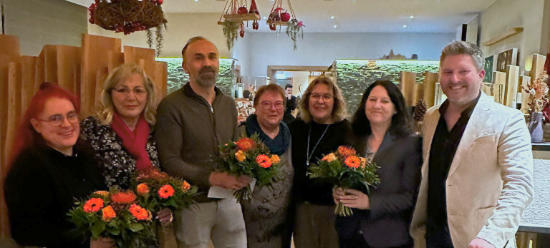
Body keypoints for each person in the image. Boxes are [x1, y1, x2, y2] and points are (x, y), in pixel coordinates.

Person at [410, 41, 534, 248]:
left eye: (463, 71)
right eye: (448, 72)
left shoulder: (508, 119)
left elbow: (519, 185)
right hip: (430, 237)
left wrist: (491, 237)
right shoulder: (431, 117)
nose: (454, 79)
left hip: (478, 238)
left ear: (480, 75)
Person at [155, 36, 249, 248]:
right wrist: (212, 177)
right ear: (185, 66)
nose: (207, 63)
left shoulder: (227, 104)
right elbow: (169, 160)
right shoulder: (172, 106)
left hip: (229, 198)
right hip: (192, 203)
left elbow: (236, 148)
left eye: (212, 57)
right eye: (198, 58)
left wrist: (245, 167)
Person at [4, 83, 108, 248]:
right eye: (55, 118)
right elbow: (27, 233)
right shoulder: (27, 168)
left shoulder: (86, 156)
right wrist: (88, 244)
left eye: (71, 115)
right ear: (37, 125)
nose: (67, 124)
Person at [79, 64, 173, 245]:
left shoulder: (158, 128)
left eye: (138, 90)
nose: (131, 97)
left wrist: (167, 208)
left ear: (148, 95)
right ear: (110, 94)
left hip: (148, 230)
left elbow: (167, 174)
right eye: (122, 90)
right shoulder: (93, 128)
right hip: (107, 230)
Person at [332, 80, 421, 248]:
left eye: (384, 101)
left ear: (396, 108)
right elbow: (344, 177)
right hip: (349, 233)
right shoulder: (353, 139)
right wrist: (338, 192)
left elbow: (410, 198)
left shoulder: (410, 144)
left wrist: (369, 203)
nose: (377, 105)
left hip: (388, 238)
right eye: (372, 100)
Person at [289, 76, 350, 248]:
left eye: (326, 96)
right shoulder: (297, 127)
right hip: (302, 209)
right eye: (315, 96)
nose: (320, 101)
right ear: (307, 99)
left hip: (333, 210)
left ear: (335, 101)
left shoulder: (346, 130)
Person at [239, 84, 294, 248]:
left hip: (281, 225)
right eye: (266, 103)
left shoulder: (290, 136)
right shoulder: (241, 135)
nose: (273, 109)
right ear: (255, 106)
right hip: (248, 224)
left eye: (278, 104)